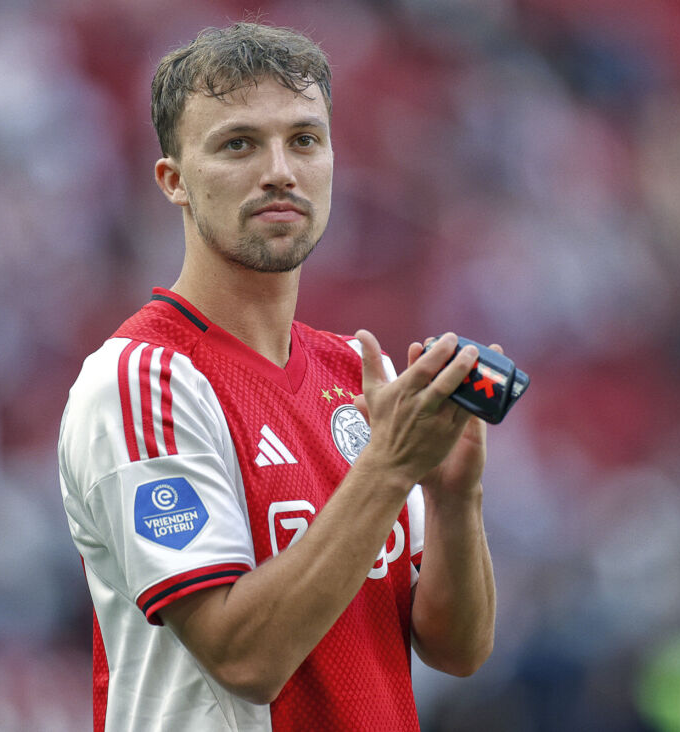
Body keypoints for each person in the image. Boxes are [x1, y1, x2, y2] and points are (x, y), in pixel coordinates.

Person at [58, 21, 497, 731]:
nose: (280, 171)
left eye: (304, 140)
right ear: (174, 181)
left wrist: (454, 498)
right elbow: (245, 660)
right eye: (238, 144)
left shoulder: (355, 375)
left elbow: (457, 648)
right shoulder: (143, 381)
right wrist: (388, 469)